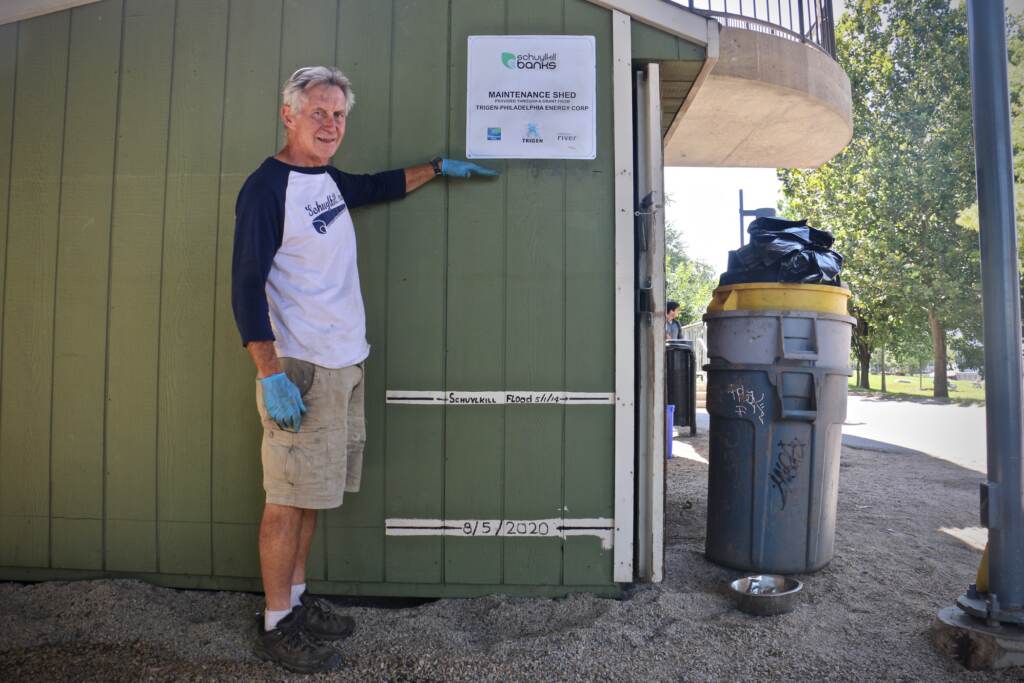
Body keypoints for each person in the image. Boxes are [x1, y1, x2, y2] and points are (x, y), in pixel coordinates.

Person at [231, 66, 497, 673]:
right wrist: (270, 372)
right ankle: (276, 622)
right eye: (318, 112)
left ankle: (295, 604)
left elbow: (375, 186)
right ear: (289, 115)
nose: (330, 124)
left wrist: (436, 167)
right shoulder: (267, 189)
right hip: (299, 367)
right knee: (285, 498)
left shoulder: (323, 179)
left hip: (344, 362)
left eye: (339, 115)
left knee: (312, 497)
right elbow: (245, 287)